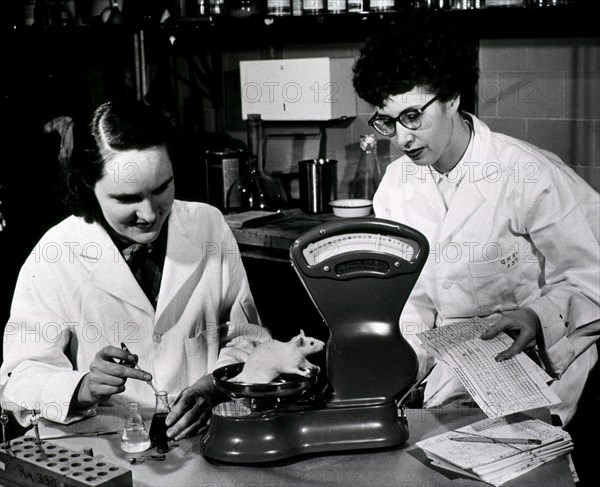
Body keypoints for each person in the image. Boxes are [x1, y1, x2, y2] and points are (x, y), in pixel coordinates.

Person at [352, 14, 600, 430]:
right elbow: (410, 300)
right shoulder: (396, 185)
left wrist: (538, 315)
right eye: (387, 121)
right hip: (454, 370)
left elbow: (591, 275)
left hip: (542, 365)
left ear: (451, 97)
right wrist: (404, 364)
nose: (402, 138)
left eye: (412, 116)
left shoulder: (527, 173)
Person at [1, 99, 269, 441]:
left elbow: (248, 337)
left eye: (161, 189)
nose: (149, 214)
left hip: (201, 441)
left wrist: (212, 387)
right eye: (127, 199)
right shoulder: (55, 253)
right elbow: (18, 378)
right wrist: (83, 386)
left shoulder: (208, 226)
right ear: (88, 186)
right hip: (102, 445)